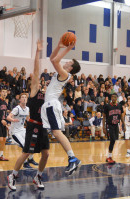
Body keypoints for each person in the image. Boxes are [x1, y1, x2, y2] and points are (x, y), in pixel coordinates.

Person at [8, 41, 49, 190]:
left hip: (43, 127)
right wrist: (38, 52)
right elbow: (37, 71)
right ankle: (12, 175)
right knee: (26, 153)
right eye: (38, 82)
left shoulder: (47, 96)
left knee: (46, 154)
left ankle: (38, 176)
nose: (41, 83)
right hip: (33, 126)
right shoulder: (33, 92)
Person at [41, 36, 81, 174]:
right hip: (48, 105)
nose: (66, 61)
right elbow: (53, 59)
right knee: (52, 132)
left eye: (69, 61)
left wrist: (68, 48)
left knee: (57, 132)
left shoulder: (65, 74)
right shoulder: (62, 73)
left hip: (52, 104)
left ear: (70, 68)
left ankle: (72, 158)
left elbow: (55, 60)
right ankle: (71, 158)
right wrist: (58, 46)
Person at [7, 93, 39, 169]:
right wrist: (13, 120)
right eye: (22, 97)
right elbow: (8, 117)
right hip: (15, 132)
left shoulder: (27, 109)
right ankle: (25, 163)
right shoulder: (17, 109)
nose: (24, 98)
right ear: (20, 99)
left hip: (22, 130)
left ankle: (30, 159)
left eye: (25, 97)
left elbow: (28, 119)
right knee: (26, 147)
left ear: (27, 99)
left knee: (33, 142)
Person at [103, 93, 125, 164]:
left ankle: (109, 156)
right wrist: (104, 127)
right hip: (109, 125)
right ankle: (109, 156)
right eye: (112, 97)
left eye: (115, 97)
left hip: (116, 125)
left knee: (114, 140)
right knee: (112, 140)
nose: (113, 98)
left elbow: (121, 116)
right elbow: (104, 117)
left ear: (117, 98)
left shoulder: (119, 106)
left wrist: (123, 125)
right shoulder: (107, 106)